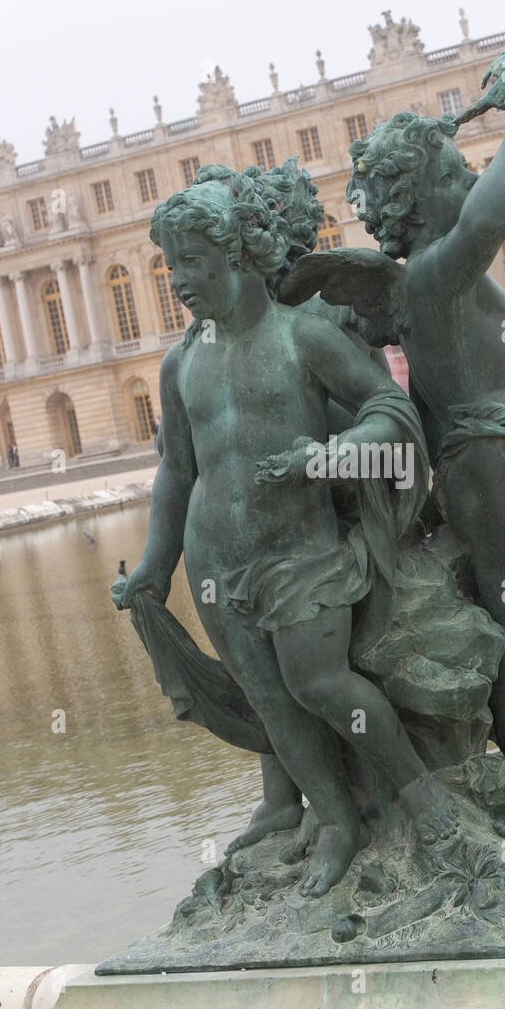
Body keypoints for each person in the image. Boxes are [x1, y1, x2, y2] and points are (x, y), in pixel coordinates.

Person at [115, 166, 457, 897]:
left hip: (301, 552)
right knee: (271, 700)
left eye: (192, 262)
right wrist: (153, 566)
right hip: (216, 559)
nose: (179, 281)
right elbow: (177, 471)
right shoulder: (182, 362)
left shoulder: (303, 337)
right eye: (171, 267)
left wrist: (328, 456)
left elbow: (390, 412)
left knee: (321, 683)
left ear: (237, 253)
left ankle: (425, 800)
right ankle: (335, 821)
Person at [311, 104, 505, 818]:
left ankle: (482, 686)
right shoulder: (431, 273)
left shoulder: (436, 277)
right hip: (495, 463)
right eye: (455, 174)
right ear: (420, 199)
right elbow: (487, 220)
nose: (472, 179)